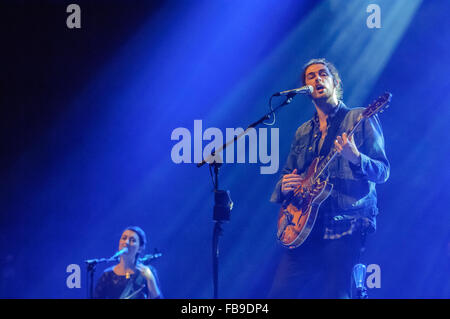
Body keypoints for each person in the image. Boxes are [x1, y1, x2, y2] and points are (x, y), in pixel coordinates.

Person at [268, 58, 390, 298]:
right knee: (279, 293)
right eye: (310, 76)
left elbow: (383, 171)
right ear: (306, 89)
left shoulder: (359, 118)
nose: (317, 79)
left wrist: (356, 157)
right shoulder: (303, 131)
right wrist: (284, 186)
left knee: (336, 293)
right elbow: (287, 176)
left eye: (322, 74)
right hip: (305, 225)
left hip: (346, 221)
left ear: (335, 82)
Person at [94, 226, 163, 299]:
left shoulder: (148, 272)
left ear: (139, 248)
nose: (126, 242)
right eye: (124, 238)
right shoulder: (107, 275)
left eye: (132, 240)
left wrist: (150, 279)